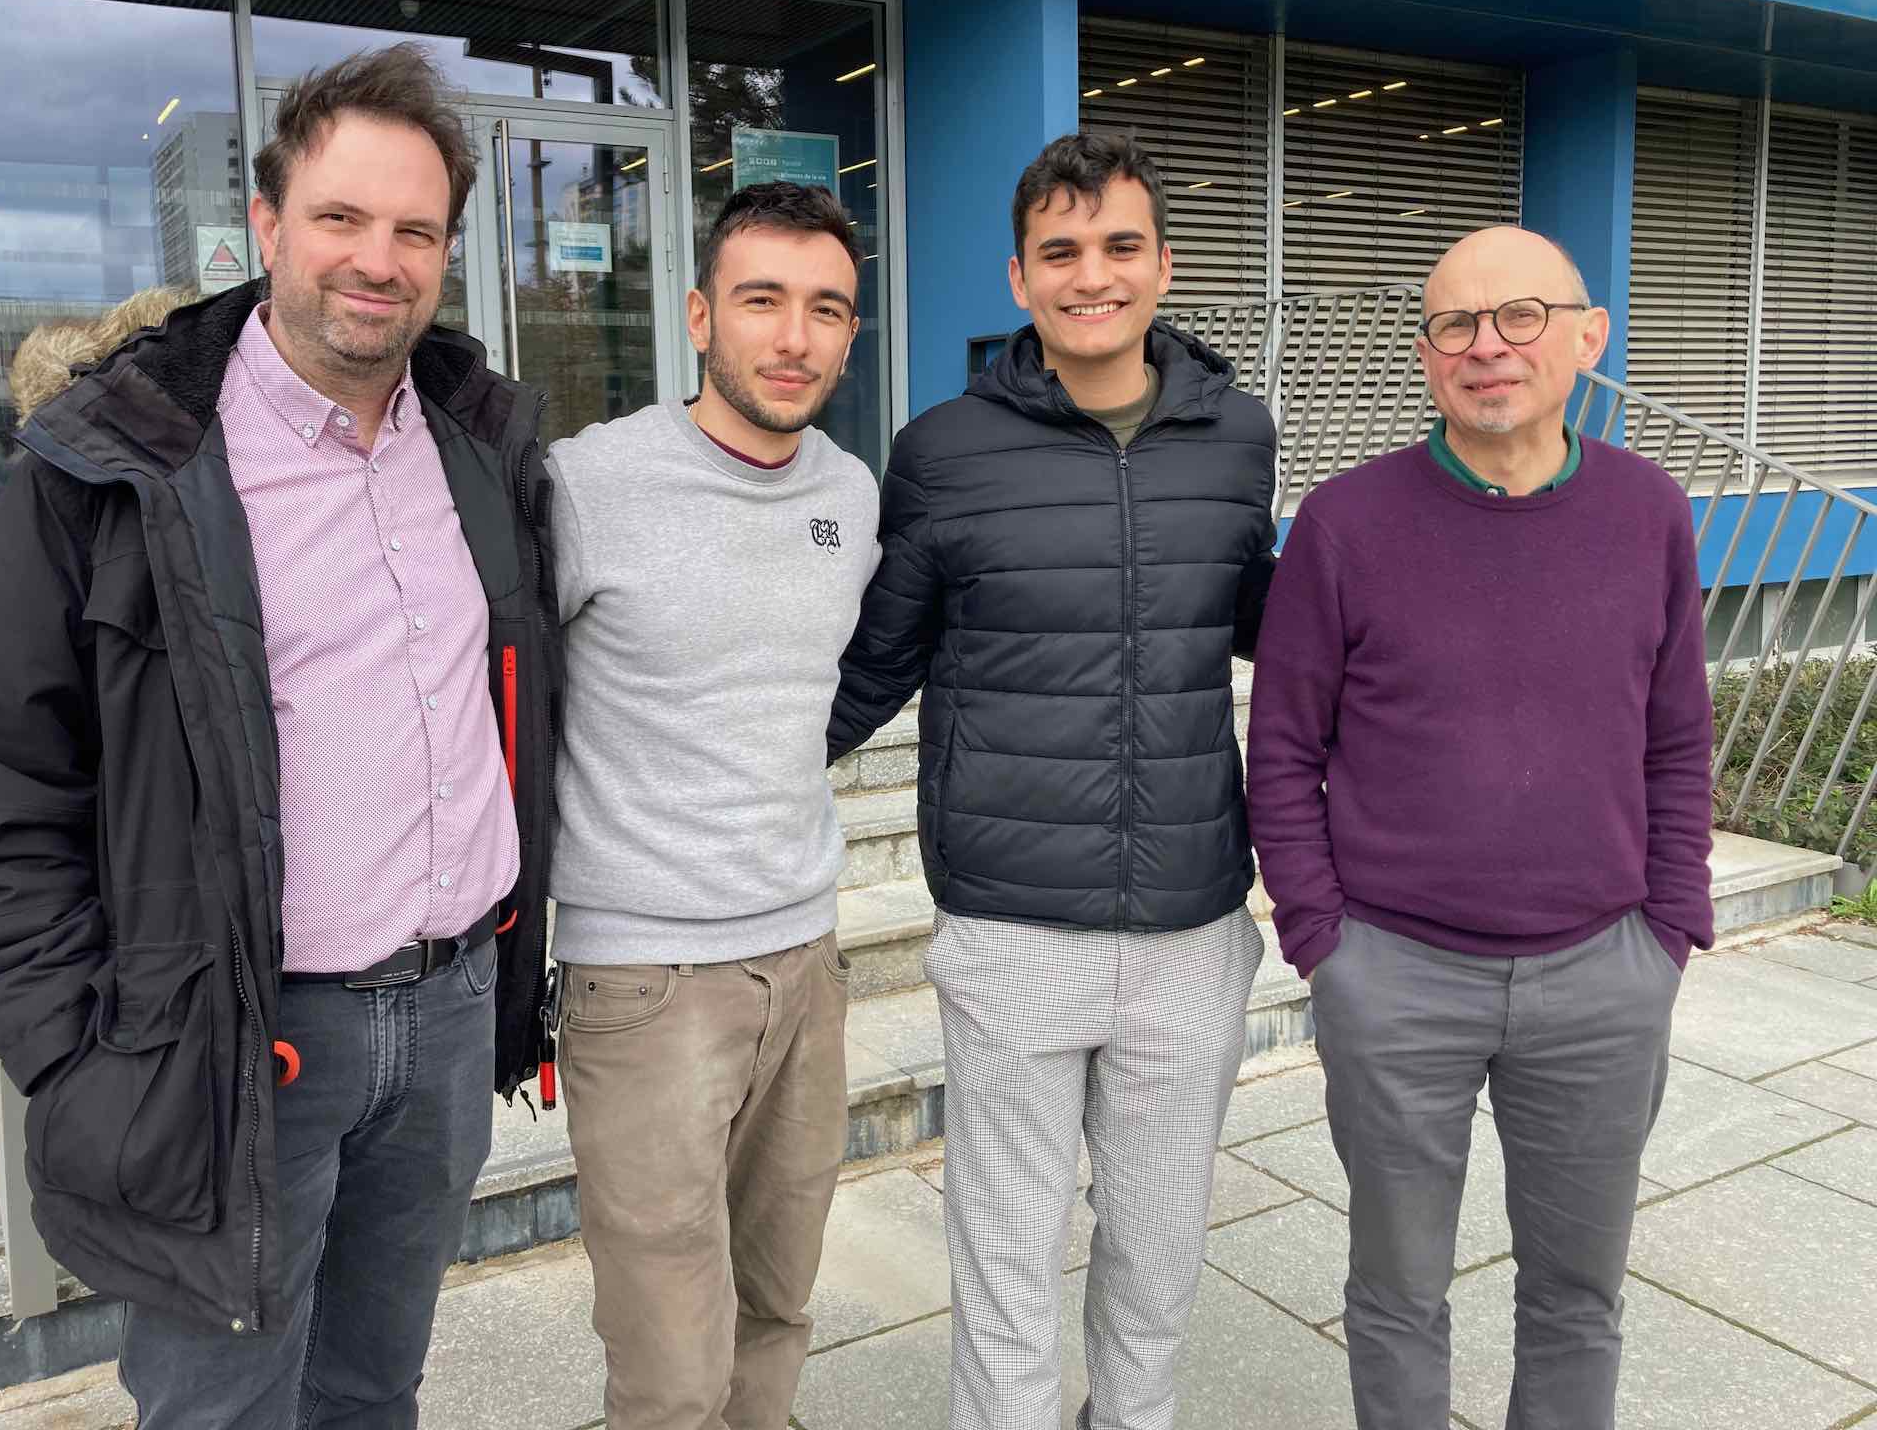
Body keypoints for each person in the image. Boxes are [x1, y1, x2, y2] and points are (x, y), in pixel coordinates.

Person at [0, 43, 558, 1428]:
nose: (376, 260)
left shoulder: (478, 445)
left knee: (372, 1394)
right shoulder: (120, 464)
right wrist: (83, 1060)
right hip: (238, 1043)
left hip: (445, 1020)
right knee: (220, 1415)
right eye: (340, 219)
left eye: (414, 230)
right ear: (265, 227)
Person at [829, 132, 1277, 1430]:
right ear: (1019, 279)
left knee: (1156, 1259)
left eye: (1121, 247)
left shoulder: (1236, 439)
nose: (1094, 276)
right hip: (1013, 927)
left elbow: (1273, 630)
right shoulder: (945, 452)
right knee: (1005, 1261)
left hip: (1193, 926)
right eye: (1062, 253)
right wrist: (725, 768)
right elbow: (876, 664)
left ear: (1163, 266)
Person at [1246, 224, 1715, 1430]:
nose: (1484, 348)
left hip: (1602, 971)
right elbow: (1283, 748)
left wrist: (1668, 927)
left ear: (1583, 336)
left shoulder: (1647, 513)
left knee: (1575, 1291)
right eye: (1453, 324)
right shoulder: (1343, 526)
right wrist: (1323, 944)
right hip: (1395, 977)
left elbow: (1672, 737)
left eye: (1516, 317)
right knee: (1396, 1289)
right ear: (1424, 354)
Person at [545, 180, 880, 1430]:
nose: (792, 337)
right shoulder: (587, 486)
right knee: (672, 1362)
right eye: (760, 301)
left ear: (850, 334)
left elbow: (820, 692)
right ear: (698, 316)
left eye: (824, 309)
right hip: (647, 979)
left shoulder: (848, 497)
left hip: (805, 956)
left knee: (781, 1300)